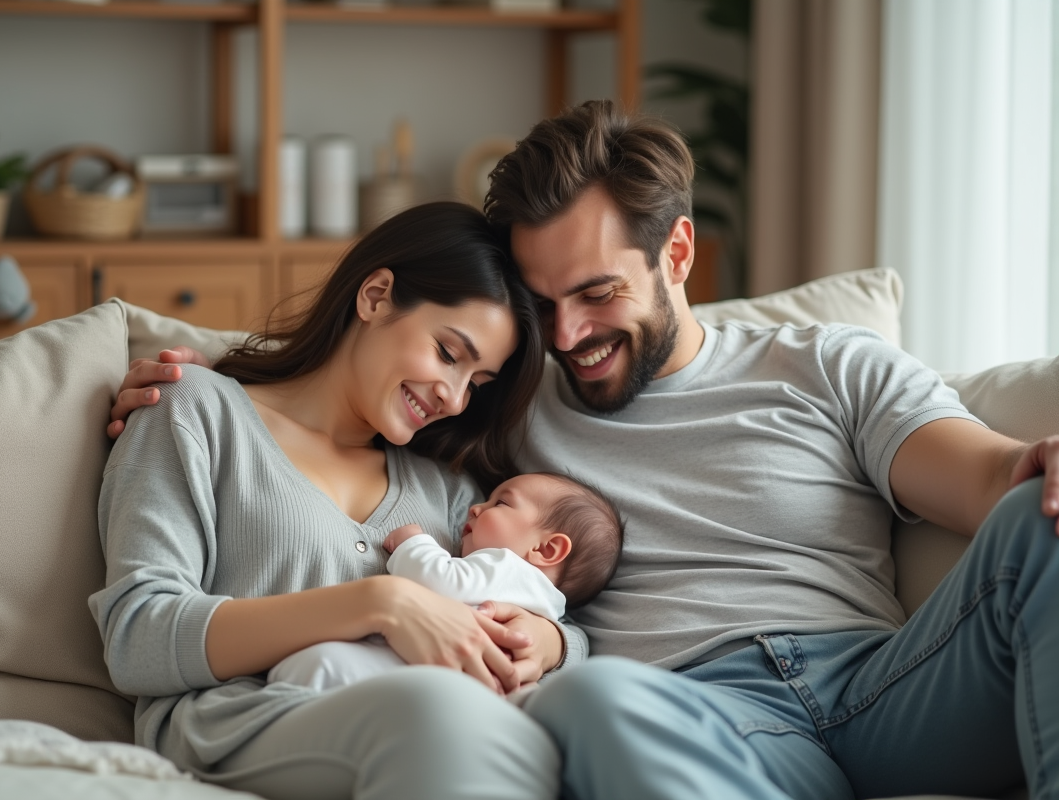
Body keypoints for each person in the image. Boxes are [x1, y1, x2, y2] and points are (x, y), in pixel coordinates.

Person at [110, 101, 1059, 800]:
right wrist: (181, 381)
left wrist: (1041, 462)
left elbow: (984, 475)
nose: (566, 335)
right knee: (595, 700)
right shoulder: (502, 407)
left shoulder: (829, 365)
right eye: (543, 301)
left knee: (1044, 519)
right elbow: (343, 395)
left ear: (676, 255)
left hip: (885, 683)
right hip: (698, 719)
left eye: (598, 294)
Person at [91, 201, 584, 800]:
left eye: (476, 384)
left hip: (425, 729)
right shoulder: (193, 408)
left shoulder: (452, 494)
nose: (454, 398)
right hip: (241, 726)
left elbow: (562, 626)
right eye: (448, 354)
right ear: (376, 296)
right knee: (439, 720)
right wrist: (380, 601)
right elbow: (137, 638)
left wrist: (549, 641)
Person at [268, 471, 624, 692]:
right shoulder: (544, 607)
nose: (476, 508)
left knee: (317, 665)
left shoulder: (508, 568)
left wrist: (412, 543)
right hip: (467, 684)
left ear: (546, 549)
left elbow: (443, 582)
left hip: (425, 670)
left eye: (500, 502)